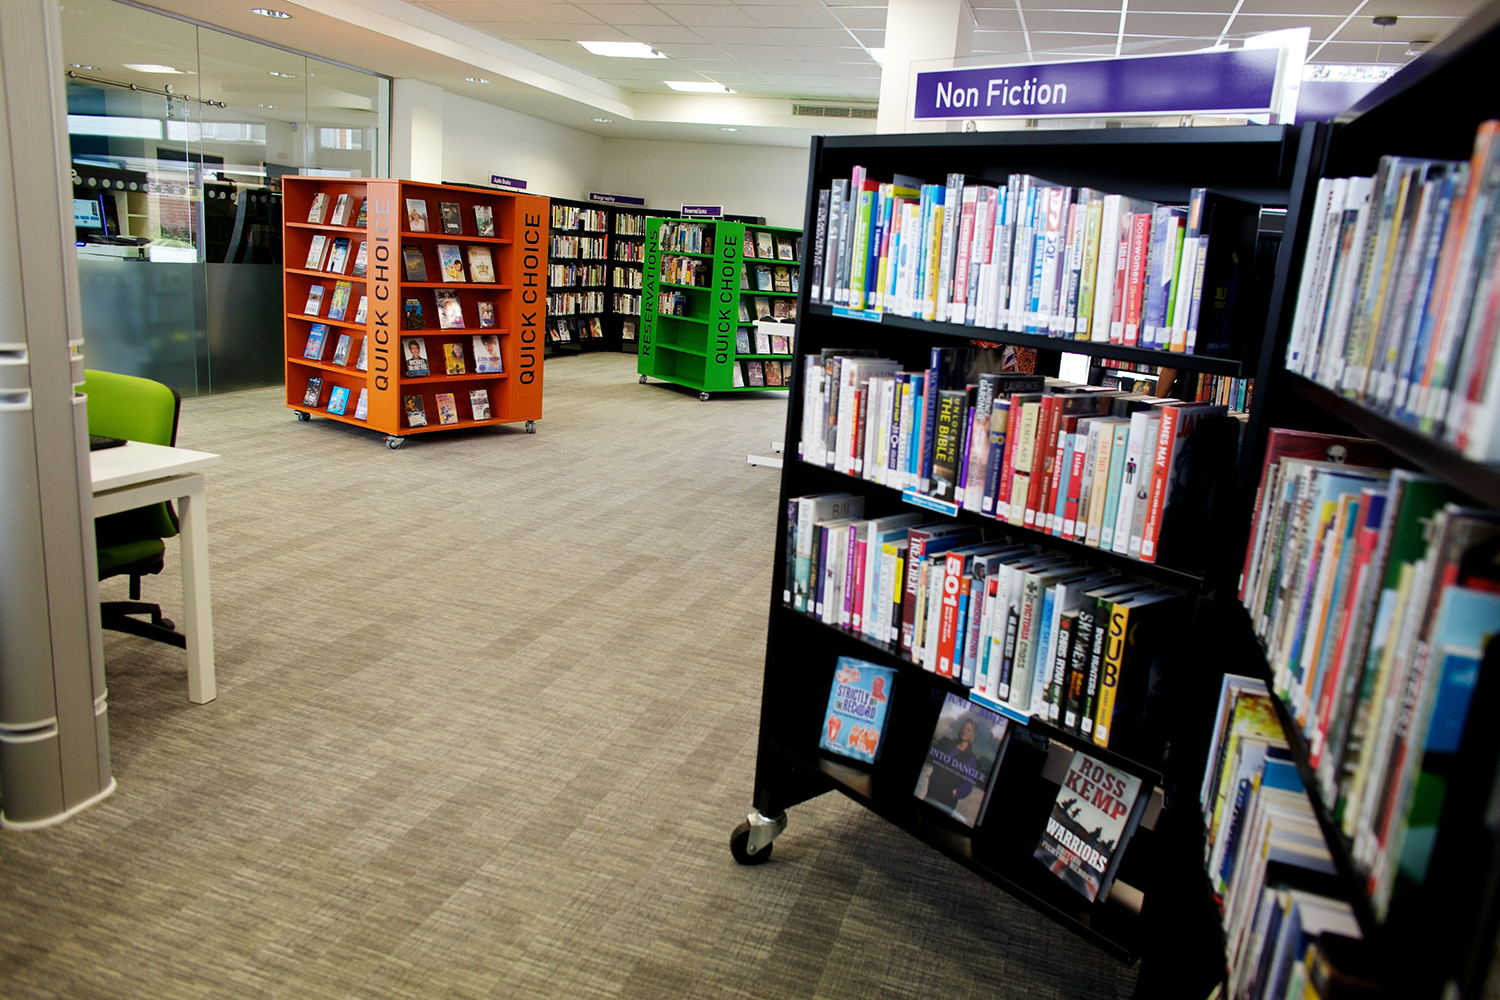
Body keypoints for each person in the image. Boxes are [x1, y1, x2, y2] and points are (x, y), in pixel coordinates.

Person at [924, 716, 981, 811]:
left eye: (968, 730)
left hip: (947, 803)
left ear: (972, 735)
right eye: (963, 728)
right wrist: (933, 780)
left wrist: (953, 793)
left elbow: (968, 786)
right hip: (931, 793)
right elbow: (936, 763)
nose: (964, 731)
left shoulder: (971, 759)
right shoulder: (948, 745)